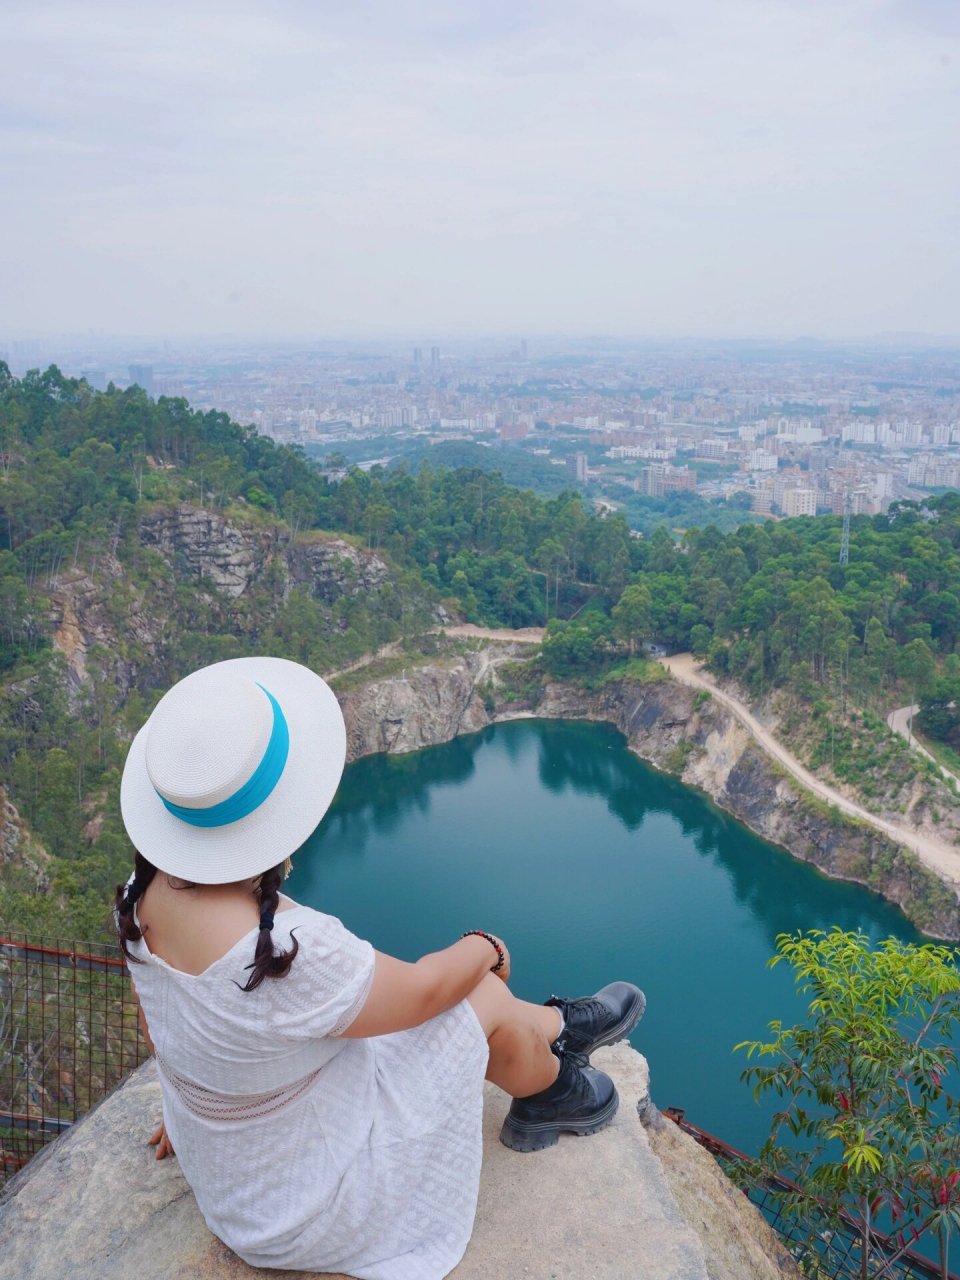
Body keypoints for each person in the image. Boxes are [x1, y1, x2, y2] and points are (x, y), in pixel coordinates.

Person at [116, 657, 646, 1279]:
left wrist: (201, 1114)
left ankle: (556, 1029)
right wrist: (487, 946)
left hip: (244, 1185)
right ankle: (550, 1091)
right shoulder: (285, 950)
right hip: (313, 1208)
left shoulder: (138, 899)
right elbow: (424, 991)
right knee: (473, 993)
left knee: (454, 1002)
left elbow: (167, 1028)